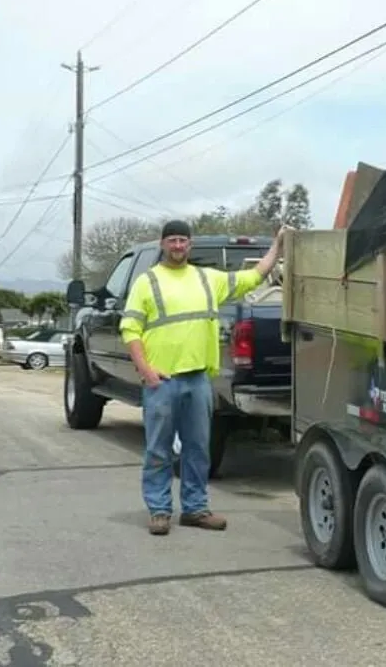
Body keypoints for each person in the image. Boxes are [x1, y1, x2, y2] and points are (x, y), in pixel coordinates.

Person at [120, 219, 287, 536]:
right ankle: (159, 511)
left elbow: (255, 276)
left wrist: (278, 245)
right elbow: (130, 329)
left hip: (198, 380)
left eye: (183, 240)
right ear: (162, 244)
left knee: (198, 449)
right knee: (159, 450)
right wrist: (145, 370)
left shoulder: (207, 279)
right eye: (172, 241)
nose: (178, 246)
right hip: (162, 382)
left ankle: (195, 509)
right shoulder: (147, 282)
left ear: (190, 245)